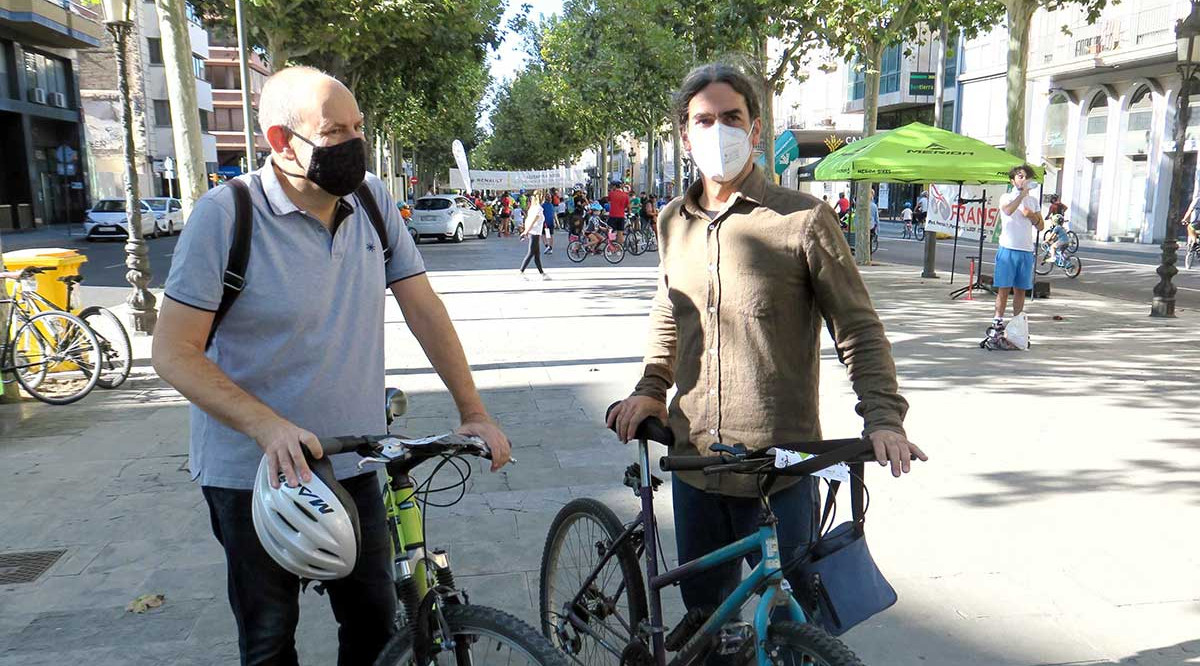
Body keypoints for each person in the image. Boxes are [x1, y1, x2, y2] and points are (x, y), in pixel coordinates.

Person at [151, 66, 511, 665]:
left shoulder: (371, 199)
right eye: (333, 130)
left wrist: (473, 410)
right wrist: (268, 427)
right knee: (269, 639)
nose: (352, 143)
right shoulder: (225, 215)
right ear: (279, 140)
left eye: (357, 128)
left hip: (353, 460)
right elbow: (173, 351)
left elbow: (423, 307)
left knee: (375, 628)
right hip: (253, 477)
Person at [606, 62, 924, 622]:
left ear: (755, 130)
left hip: (779, 466)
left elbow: (858, 327)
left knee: (794, 619)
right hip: (695, 461)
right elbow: (669, 311)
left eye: (732, 118)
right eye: (704, 120)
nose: (718, 131)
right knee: (706, 618)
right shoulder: (671, 222)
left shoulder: (803, 221)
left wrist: (883, 417)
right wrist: (651, 386)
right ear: (685, 133)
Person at [992, 164, 1043, 331]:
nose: (1024, 179)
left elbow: (1041, 225)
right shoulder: (1006, 197)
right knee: (1004, 288)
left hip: (1026, 250)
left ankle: (1017, 322)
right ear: (1012, 180)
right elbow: (1007, 211)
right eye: (1020, 176)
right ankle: (997, 320)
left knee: (1021, 290)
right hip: (1008, 248)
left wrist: (1032, 216)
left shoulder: (1033, 201)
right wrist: (1021, 196)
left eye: (1026, 177)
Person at [520, 190, 549, 279]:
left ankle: (542, 274)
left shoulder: (533, 208)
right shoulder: (538, 209)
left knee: (537, 254)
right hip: (534, 233)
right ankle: (521, 272)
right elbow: (532, 221)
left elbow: (528, 220)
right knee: (531, 253)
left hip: (534, 232)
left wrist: (526, 230)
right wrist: (525, 232)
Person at [607, 181, 630, 247]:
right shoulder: (625, 195)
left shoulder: (611, 193)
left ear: (614, 186)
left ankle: (611, 246)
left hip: (613, 215)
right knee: (620, 232)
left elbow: (608, 200)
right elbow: (628, 206)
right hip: (621, 216)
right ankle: (619, 247)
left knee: (610, 231)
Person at [542, 191, 558, 255]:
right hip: (551, 222)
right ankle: (550, 248)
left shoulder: (543, 205)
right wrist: (557, 222)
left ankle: (547, 246)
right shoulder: (551, 206)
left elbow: (541, 214)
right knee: (550, 235)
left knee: (544, 235)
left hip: (545, 223)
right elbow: (554, 214)